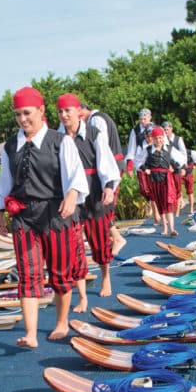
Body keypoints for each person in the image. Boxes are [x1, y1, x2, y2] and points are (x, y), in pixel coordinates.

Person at [0, 87, 87, 347]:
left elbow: (76, 175)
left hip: (55, 214)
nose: (23, 119)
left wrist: (71, 195)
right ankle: (31, 333)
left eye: (27, 113)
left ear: (41, 111)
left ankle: (61, 322)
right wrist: (0, 212)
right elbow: (5, 181)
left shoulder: (60, 141)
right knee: (28, 274)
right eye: (18, 114)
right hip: (23, 215)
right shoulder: (11, 146)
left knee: (59, 273)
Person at [56, 94, 120, 308]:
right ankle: (82, 296)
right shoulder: (56, 138)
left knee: (99, 240)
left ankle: (105, 276)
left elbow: (106, 162)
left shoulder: (94, 134)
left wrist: (109, 187)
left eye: (68, 111)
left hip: (93, 191)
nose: (64, 115)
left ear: (78, 112)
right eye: (61, 111)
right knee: (74, 245)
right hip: (70, 196)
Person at [81, 103, 127, 257]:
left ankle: (116, 238)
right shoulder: (101, 117)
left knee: (104, 205)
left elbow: (101, 146)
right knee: (103, 206)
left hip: (109, 167)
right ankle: (113, 238)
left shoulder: (95, 121)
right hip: (113, 164)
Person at [140, 127, 180, 236]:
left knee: (169, 203)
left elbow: (180, 160)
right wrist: (145, 169)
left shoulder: (169, 149)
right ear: (152, 139)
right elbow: (139, 162)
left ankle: (172, 229)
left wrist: (175, 168)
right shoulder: (148, 150)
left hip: (166, 180)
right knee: (160, 203)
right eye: (156, 138)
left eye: (161, 138)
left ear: (163, 138)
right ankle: (165, 228)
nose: (159, 140)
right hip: (154, 180)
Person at [162, 121, 187, 216]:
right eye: (164, 130)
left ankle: (177, 214)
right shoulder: (162, 140)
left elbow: (183, 153)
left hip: (177, 168)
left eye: (167, 129)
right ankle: (172, 212)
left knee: (178, 190)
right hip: (167, 169)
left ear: (171, 129)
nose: (165, 131)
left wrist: (183, 167)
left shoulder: (178, 139)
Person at [125, 108, 155, 174]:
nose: (142, 121)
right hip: (140, 164)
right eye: (141, 119)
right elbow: (131, 149)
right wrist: (129, 166)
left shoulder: (156, 128)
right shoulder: (135, 131)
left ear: (150, 117)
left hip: (154, 164)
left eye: (145, 119)